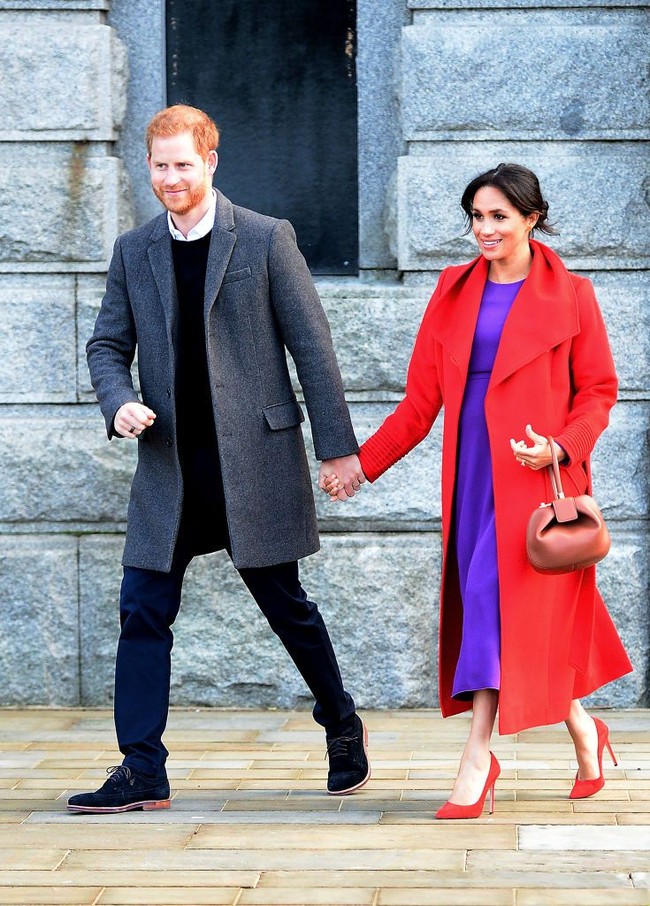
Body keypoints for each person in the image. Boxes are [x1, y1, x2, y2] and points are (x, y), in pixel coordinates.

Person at [68, 104, 369, 814]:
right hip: (170, 467)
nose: (171, 178)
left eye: (184, 164)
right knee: (142, 608)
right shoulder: (133, 249)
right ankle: (142, 769)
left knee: (286, 606)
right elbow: (107, 346)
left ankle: (341, 724)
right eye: (160, 165)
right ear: (148, 167)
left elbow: (313, 349)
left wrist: (338, 449)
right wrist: (117, 404)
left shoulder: (266, 240)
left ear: (211, 162)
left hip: (253, 463)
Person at [323, 163, 632, 818]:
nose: (484, 229)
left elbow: (600, 392)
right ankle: (585, 731)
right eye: (476, 217)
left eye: (498, 216)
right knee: (508, 620)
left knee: (494, 604)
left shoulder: (573, 295)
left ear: (531, 218)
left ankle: (476, 758)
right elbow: (420, 402)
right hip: (473, 482)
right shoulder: (452, 290)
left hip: (537, 483)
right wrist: (362, 464)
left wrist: (562, 445)